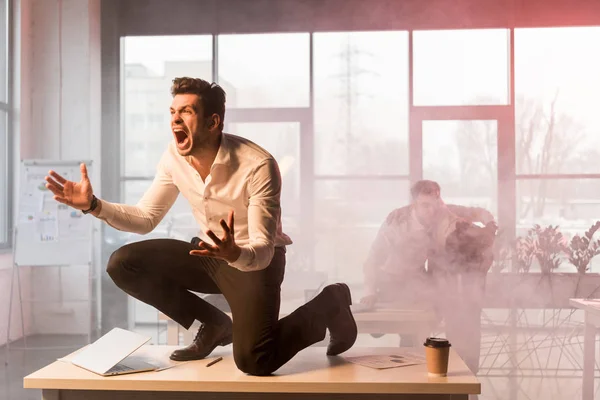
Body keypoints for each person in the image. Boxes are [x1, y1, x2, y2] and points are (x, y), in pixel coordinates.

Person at [44, 77, 357, 376]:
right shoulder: (173, 157)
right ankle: (213, 324)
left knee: (255, 361)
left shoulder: (258, 165)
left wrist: (233, 252)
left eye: (187, 112)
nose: (175, 120)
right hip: (210, 255)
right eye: (173, 112)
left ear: (213, 122)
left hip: (254, 263)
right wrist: (93, 205)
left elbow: (263, 249)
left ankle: (330, 302)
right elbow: (145, 218)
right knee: (123, 264)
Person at [360, 180, 496, 374]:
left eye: (435, 203)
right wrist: (370, 291)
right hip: (390, 278)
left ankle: (435, 375)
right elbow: (373, 259)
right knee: (393, 330)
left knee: (423, 326)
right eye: (425, 205)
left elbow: (474, 214)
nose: (431, 211)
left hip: (418, 279)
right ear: (414, 204)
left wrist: (489, 225)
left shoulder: (443, 214)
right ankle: (406, 377)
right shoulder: (396, 223)